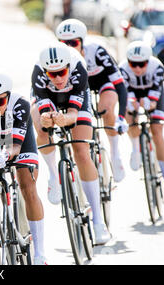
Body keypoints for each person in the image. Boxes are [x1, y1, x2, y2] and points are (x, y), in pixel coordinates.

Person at [30, 42, 111, 245]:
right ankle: (53, 175)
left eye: (61, 72)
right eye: (52, 74)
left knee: (81, 150)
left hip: (75, 100)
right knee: (40, 127)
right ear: (45, 71)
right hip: (49, 98)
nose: (57, 78)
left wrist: (65, 119)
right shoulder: (38, 72)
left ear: (68, 67)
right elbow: (42, 110)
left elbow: (74, 114)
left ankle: (98, 221)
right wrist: (47, 119)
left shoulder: (79, 68)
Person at [0, 67, 46, 265]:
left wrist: (5, 154)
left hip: (18, 142)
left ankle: (40, 252)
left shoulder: (20, 103)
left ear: (8, 95)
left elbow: (15, 145)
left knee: (28, 186)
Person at [55, 18, 129, 183]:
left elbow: (120, 85)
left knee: (106, 108)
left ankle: (115, 153)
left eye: (73, 43)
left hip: (102, 83)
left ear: (82, 41)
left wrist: (122, 117)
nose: (69, 47)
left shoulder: (97, 51)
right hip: (78, 88)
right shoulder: (58, 59)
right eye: (63, 43)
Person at [119, 41, 164, 202]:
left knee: (157, 131)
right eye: (133, 64)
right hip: (133, 93)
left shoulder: (157, 66)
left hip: (153, 94)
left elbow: (157, 89)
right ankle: (136, 148)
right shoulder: (123, 68)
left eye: (141, 64)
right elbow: (124, 91)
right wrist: (132, 104)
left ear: (148, 61)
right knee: (129, 116)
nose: (137, 68)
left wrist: (150, 102)